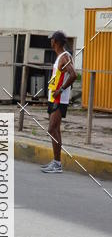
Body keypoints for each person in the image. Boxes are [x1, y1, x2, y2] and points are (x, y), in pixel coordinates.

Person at [42, 30, 77, 174]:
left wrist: (61, 90)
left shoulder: (65, 56)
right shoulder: (60, 57)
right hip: (54, 98)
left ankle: (57, 164)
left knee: (51, 129)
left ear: (55, 42)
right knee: (55, 129)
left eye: (52, 40)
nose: (50, 42)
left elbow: (74, 75)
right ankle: (56, 161)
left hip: (59, 99)